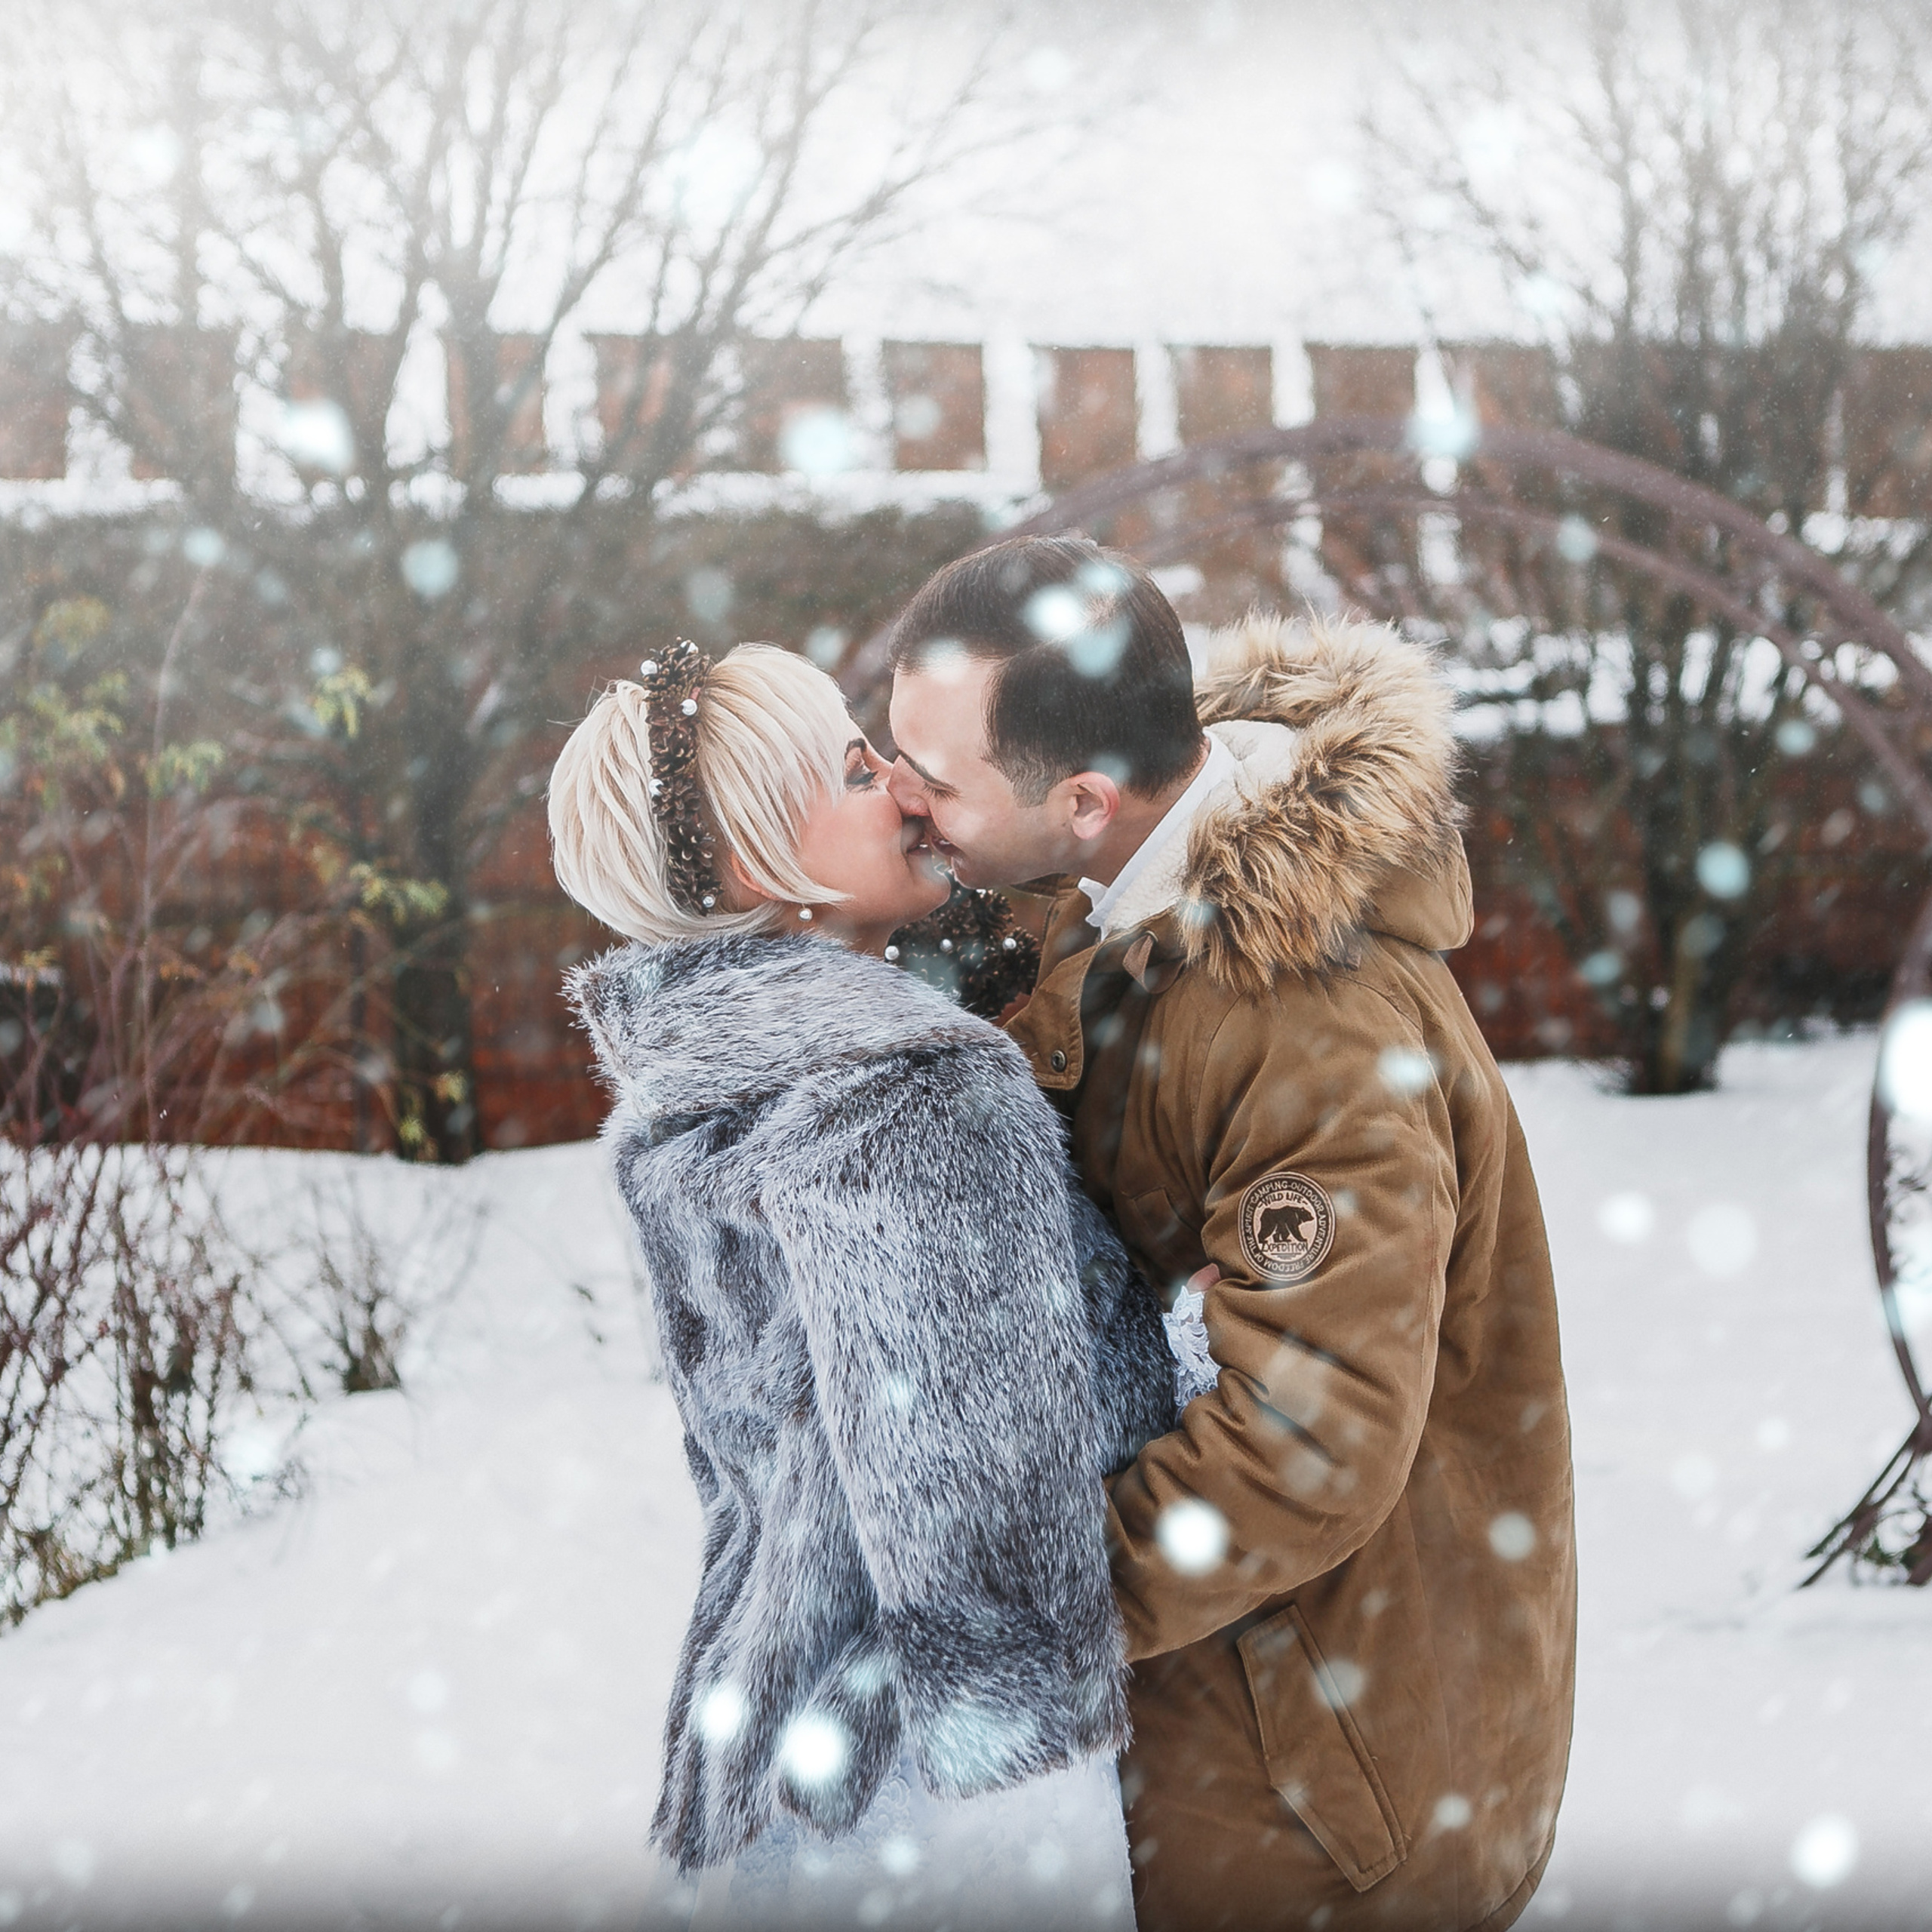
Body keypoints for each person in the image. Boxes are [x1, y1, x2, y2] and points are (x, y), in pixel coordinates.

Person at [884, 537, 1578, 1932]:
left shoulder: (1303, 1023)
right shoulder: (1114, 900)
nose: (901, 799)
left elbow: (1305, 1446)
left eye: (934, 780)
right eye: (886, 751)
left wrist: (1019, 1628)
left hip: (1327, 1783)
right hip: (1258, 1715)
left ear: (1085, 800)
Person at [545, 640, 1185, 1929]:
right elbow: (996, 1484)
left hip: (773, 1738)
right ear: (748, 863)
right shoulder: (904, 1091)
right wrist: (1203, 1343)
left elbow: (772, 1460)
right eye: (851, 769)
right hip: (940, 1784)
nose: (900, 784)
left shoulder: (687, 1098)